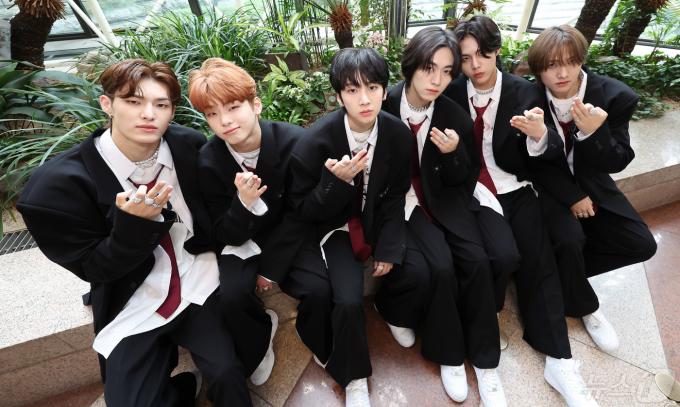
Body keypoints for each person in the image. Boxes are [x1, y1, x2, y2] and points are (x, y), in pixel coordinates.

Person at [17, 59, 253, 406]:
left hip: (197, 278)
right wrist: (135, 227)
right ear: (107, 104)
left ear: (172, 111)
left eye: (161, 104)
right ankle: (181, 389)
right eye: (133, 101)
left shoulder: (188, 146)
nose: (148, 114)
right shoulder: (56, 189)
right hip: (134, 295)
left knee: (228, 373)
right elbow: (94, 267)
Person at [445, 16, 600, 406]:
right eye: (466, 58)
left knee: (539, 259)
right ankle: (485, 355)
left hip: (515, 186)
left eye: (483, 55)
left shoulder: (524, 91)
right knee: (495, 259)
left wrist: (539, 136)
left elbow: (549, 154)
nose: (475, 65)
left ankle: (560, 361)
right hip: (472, 192)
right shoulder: (450, 92)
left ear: (497, 50)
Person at [381, 26, 506, 406]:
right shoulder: (383, 105)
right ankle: (449, 355)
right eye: (429, 68)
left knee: (479, 260)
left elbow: (464, 178)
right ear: (411, 65)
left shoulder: (452, 114)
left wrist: (453, 154)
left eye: (448, 71)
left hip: (445, 198)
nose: (437, 80)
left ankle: (486, 362)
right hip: (402, 201)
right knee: (440, 266)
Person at [287, 47, 412, 407]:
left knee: (416, 264)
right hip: (336, 226)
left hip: (377, 217)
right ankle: (354, 376)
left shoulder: (397, 134)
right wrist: (335, 183)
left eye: (372, 87)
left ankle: (394, 313)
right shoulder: (315, 142)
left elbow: (395, 195)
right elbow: (303, 209)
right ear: (339, 96)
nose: (365, 99)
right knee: (347, 298)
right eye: (353, 90)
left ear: (384, 90)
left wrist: (388, 245)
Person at [526, 25, 656, 352]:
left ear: (582, 59)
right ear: (539, 68)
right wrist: (572, 196)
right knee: (570, 238)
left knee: (642, 244)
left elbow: (619, 160)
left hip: (594, 182)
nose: (562, 73)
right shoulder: (527, 97)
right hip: (548, 186)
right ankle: (585, 306)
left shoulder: (615, 97)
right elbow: (528, 161)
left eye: (571, 62)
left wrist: (594, 134)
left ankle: (560, 274)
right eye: (552, 65)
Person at [188, 58, 309, 387]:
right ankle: (261, 336)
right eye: (212, 114)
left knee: (316, 285)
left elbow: (300, 213)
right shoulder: (209, 160)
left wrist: (271, 268)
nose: (225, 121)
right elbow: (223, 232)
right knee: (231, 296)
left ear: (255, 105)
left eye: (233, 107)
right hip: (241, 239)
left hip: (286, 235)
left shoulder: (294, 141)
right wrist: (243, 204)